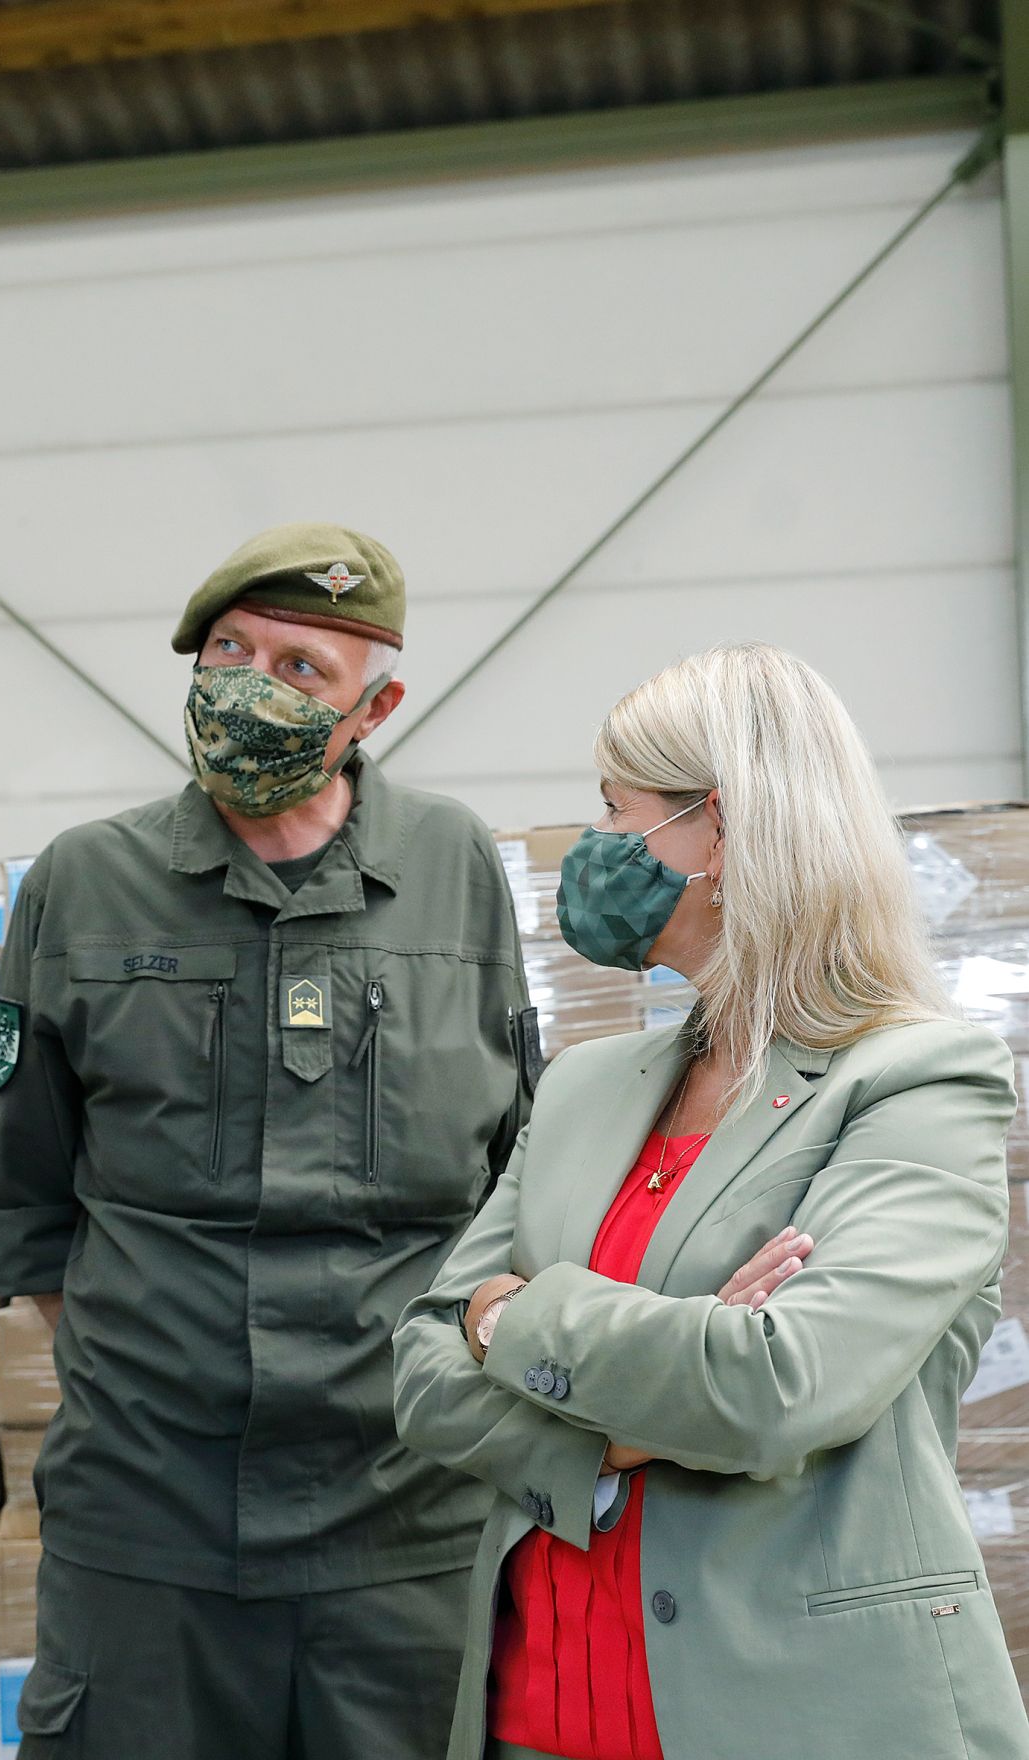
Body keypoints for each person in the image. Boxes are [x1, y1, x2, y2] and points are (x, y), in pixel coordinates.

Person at [393, 642, 1029, 1760]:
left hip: (798, 1714)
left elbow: (779, 1382)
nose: (591, 849)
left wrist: (518, 1315)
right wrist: (616, 1440)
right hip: (538, 1713)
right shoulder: (592, 1083)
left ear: (720, 830)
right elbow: (422, 1367)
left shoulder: (920, 1080)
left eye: (615, 810)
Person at [0, 523, 535, 1760]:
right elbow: (31, 1200)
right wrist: (167, 1369)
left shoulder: (455, 870)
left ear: (375, 706)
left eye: (300, 669)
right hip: (148, 1529)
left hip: (407, 1521)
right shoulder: (82, 884)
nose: (250, 686)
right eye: (228, 651)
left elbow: (514, 1169)